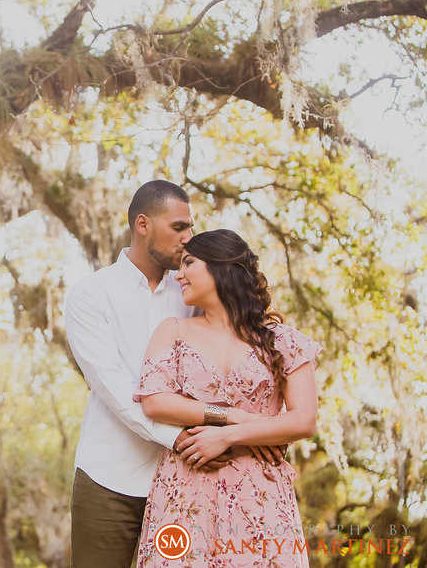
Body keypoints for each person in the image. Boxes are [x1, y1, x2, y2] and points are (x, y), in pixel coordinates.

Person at [133, 229, 320, 567]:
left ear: (223, 266)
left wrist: (227, 436)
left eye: (189, 263)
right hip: (185, 489)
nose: (178, 275)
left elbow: (304, 420)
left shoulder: (284, 340)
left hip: (259, 493)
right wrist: (232, 416)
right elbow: (155, 401)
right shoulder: (173, 330)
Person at [65, 180, 207, 567]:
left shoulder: (191, 292)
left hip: (183, 479)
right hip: (107, 480)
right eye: (179, 227)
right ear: (142, 224)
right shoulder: (91, 294)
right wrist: (177, 438)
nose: (189, 238)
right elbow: (114, 388)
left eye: (191, 227)